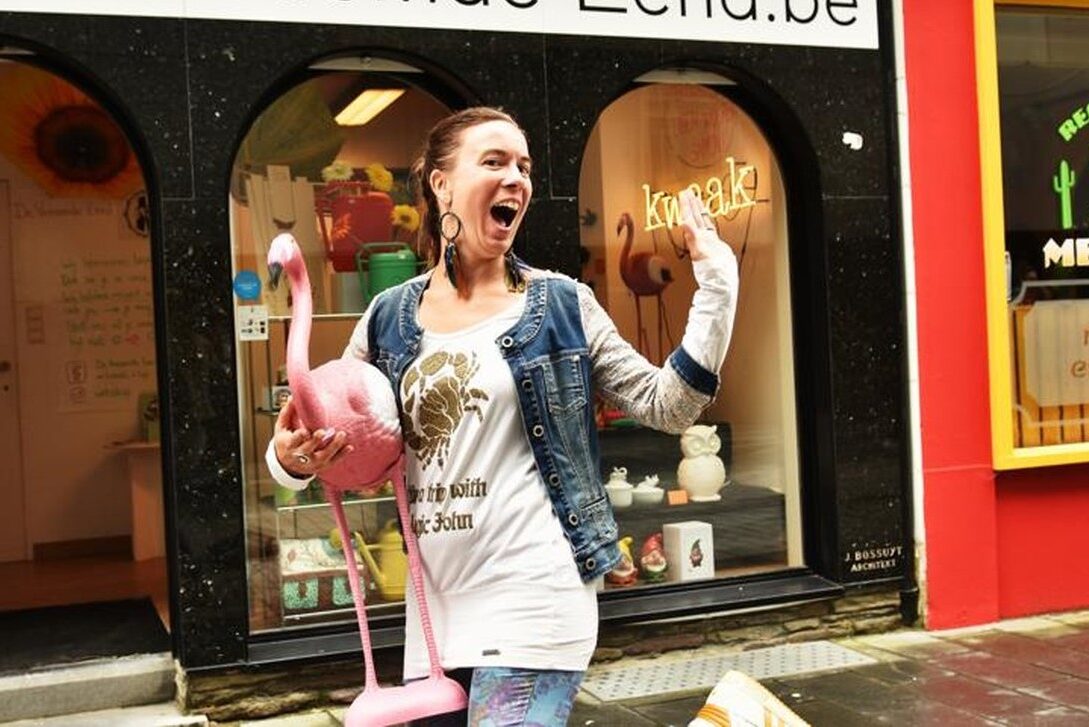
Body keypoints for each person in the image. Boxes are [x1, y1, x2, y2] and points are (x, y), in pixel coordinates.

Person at [267, 106, 739, 726]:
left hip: (536, 595)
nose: (516, 178)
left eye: (524, 166)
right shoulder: (387, 318)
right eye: (494, 161)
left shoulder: (565, 305)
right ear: (439, 184)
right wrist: (290, 460)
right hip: (434, 614)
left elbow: (668, 406)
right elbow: (319, 435)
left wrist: (717, 287)